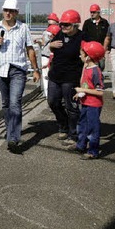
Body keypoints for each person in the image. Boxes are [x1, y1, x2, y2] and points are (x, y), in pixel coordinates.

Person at [0, 0, 40, 153]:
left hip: (18, 70)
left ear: (16, 13)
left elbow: (30, 49)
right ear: (3, 11)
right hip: (1, 70)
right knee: (6, 104)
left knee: (15, 103)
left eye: (11, 11)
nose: (8, 13)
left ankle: (14, 138)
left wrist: (35, 69)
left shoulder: (23, 28)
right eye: (5, 10)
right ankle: (10, 131)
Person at [47, 9, 87, 146]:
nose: (63, 27)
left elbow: (88, 56)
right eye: (62, 24)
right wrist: (51, 45)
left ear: (76, 25)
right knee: (52, 102)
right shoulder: (59, 33)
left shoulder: (82, 37)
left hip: (70, 77)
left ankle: (73, 133)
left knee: (71, 106)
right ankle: (63, 125)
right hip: (55, 74)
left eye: (67, 25)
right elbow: (49, 48)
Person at [70, 41, 106, 160]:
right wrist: (80, 93)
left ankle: (93, 151)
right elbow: (86, 85)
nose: (80, 56)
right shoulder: (86, 67)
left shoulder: (96, 72)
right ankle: (81, 145)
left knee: (92, 128)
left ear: (88, 57)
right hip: (85, 102)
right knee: (82, 124)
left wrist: (81, 89)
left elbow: (100, 92)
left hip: (94, 105)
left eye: (82, 54)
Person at [82, 4, 109, 69]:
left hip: (101, 48)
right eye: (91, 12)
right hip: (90, 49)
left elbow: (108, 35)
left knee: (101, 66)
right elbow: (83, 36)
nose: (92, 14)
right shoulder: (87, 23)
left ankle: (99, 77)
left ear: (98, 12)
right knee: (91, 66)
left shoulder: (104, 22)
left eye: (94, 12)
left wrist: (107, 48)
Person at [40, 24, 61, 98]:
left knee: (50, 79)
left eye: (50, 34)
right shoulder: (54, 43)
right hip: (49, 61)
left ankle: (52, 96)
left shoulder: (57, 44)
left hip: (53, 63)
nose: (49, 36)